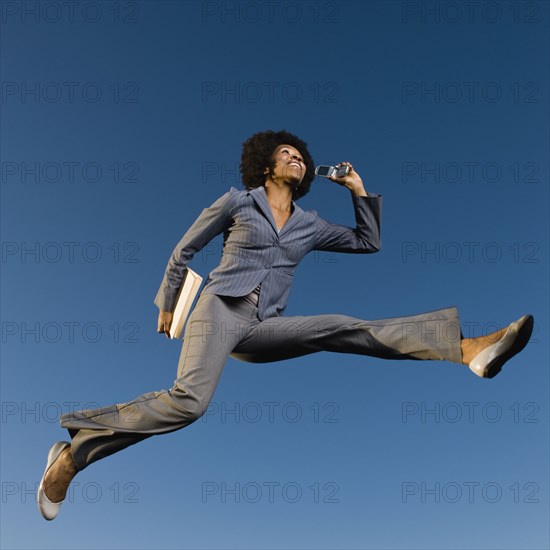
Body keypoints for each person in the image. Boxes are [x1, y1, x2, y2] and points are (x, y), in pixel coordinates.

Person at [37, 129, 534, 520]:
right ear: (266, 164)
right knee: (189, 403)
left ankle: (466, 348)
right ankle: (75, 453)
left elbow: (368, 242)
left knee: (340, 325)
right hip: (217, 308)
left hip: (261, 326)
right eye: (286, 152)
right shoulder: (237, 201)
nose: (296, 157)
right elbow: (183, 249)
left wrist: (358, 190)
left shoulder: (310, 223)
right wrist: (168, 300)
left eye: (301, 154)